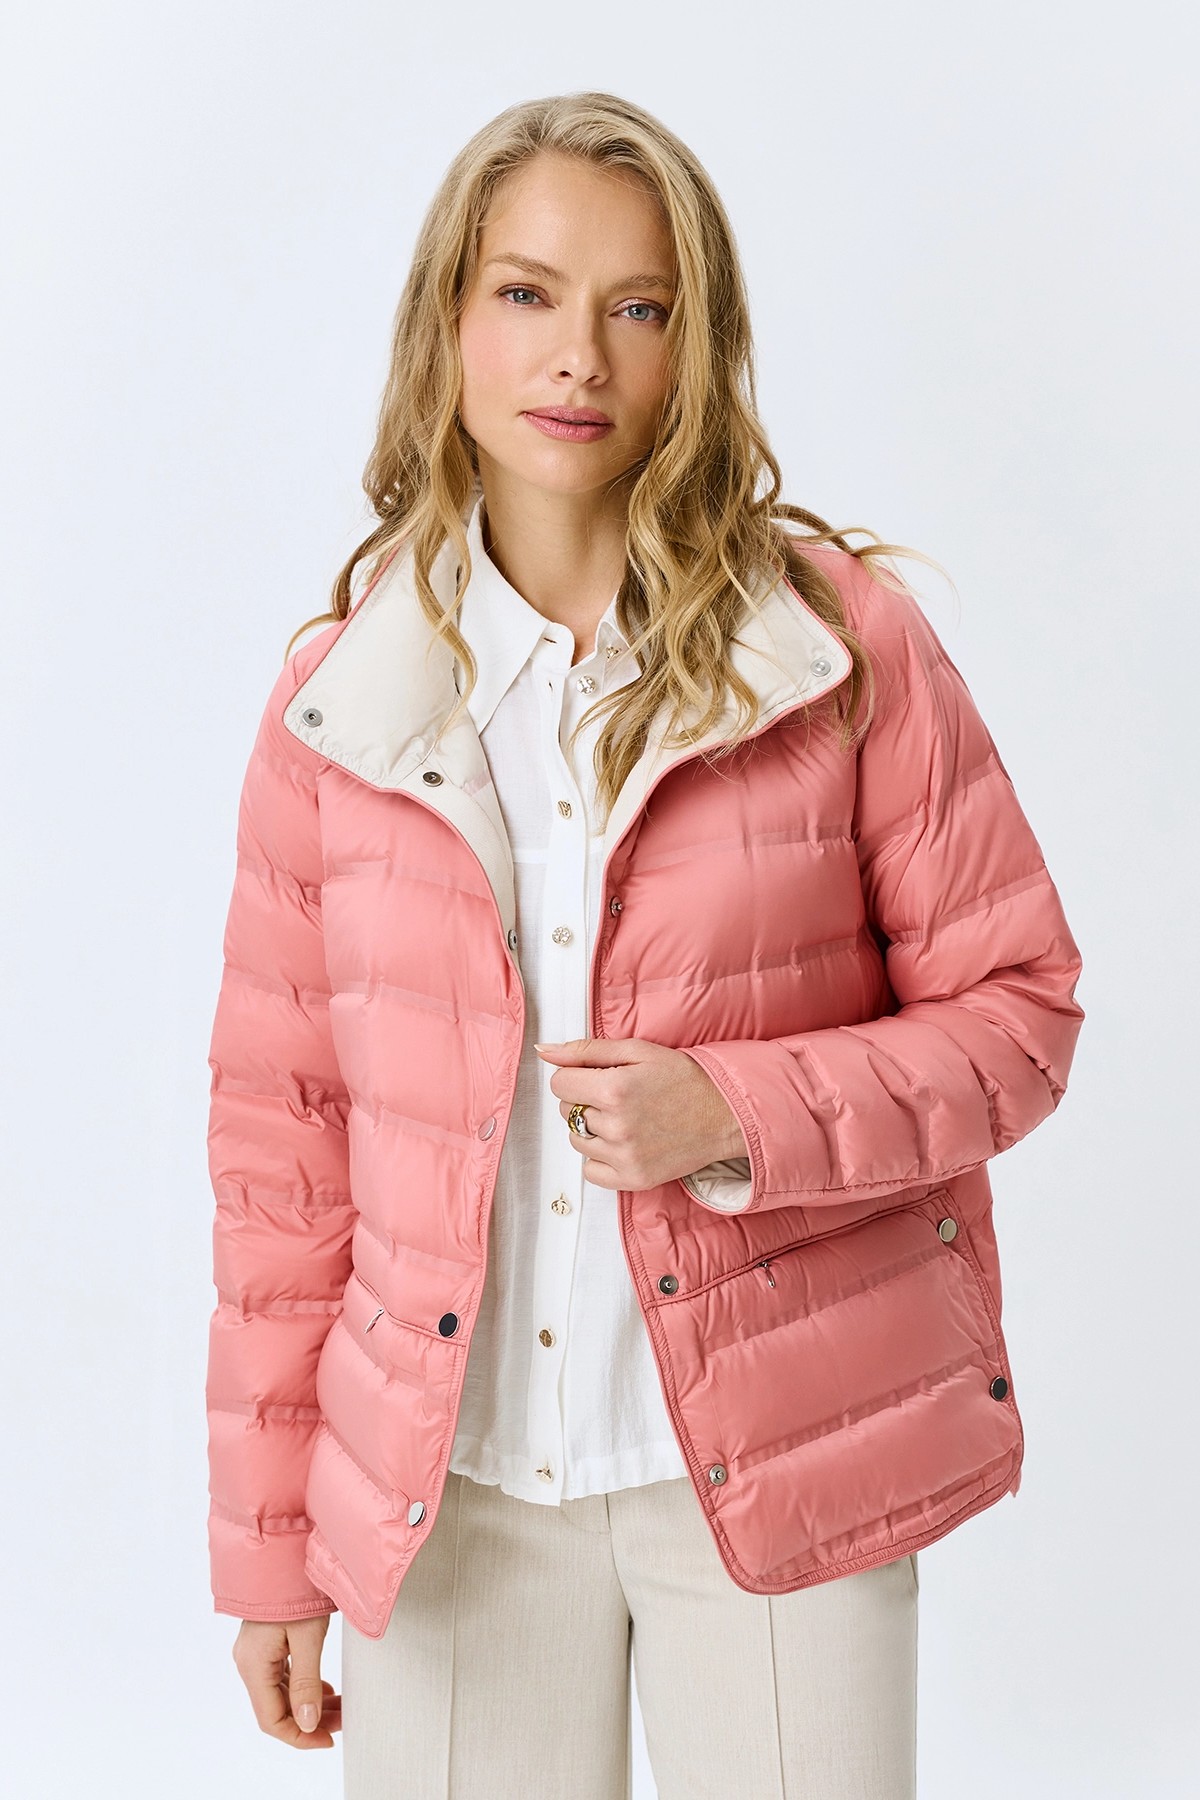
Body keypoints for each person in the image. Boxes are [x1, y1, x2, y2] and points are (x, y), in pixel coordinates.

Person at [203, 90, 1085, 1799]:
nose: (579, 356)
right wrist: (267, 1550)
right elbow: (280, 1159)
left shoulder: (836, 651)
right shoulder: (343, 703)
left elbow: (1022, 1015)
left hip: (780, 1465)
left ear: (699, 347)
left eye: (640, 305)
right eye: (526, 292)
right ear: (448, 323)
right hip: (446, 1500)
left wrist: (732, 1113)